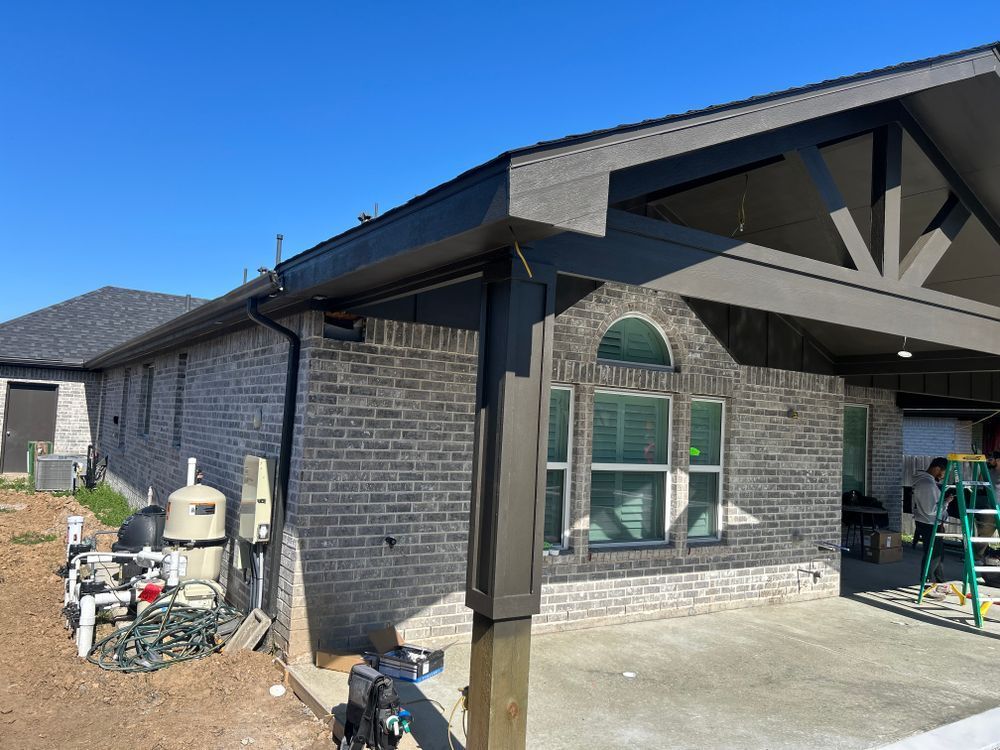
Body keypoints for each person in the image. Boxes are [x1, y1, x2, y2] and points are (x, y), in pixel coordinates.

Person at [912, 457, 950, 599]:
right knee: (933, 554)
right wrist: (945, 503)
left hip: (926, 522)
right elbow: (930, 509)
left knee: (939, 553)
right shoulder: (927, 484)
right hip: (929, 523)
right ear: (937, 468)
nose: (944, 476)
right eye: (943, 472)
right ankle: (926, 584)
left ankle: (941, 582)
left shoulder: (925, 481)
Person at [973, 451, 1000, 564]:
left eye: (991, 458)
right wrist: (984, 465)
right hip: (990, 507)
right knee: (984, 533)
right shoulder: (989, 472)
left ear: (998, 460)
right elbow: (979, 481)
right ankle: (977, 558)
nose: (990, 460)